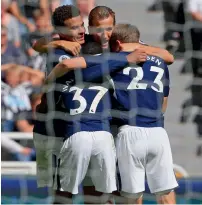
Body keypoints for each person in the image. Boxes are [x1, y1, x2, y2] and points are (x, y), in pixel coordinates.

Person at [46, 23, 178, 204]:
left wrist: (49, 80)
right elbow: (164, 99)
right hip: (158, 131)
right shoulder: (160, 61)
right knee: (165, 193)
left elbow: (70, 64)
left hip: (129, 132)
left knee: (130, 196)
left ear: (117, 43)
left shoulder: (114, 61)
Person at [32, 6, 174, 65]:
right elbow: (37, 45)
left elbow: (168, 57)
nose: (105, 35)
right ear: (90, 28)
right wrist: (61, 43)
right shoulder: (82, 42)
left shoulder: (121, 42)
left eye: (109, 29)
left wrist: (132, 48)